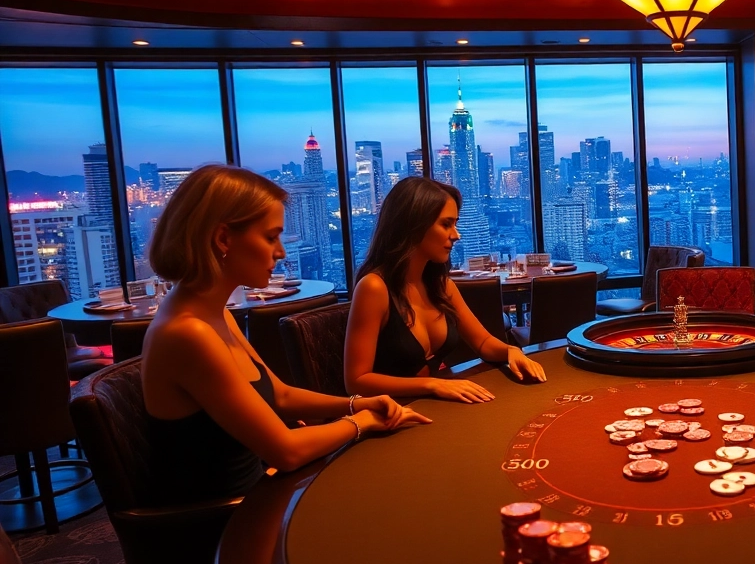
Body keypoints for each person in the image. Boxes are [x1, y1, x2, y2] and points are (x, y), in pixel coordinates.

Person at [142, 165, 429, 506]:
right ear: (223, 239)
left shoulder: (213, 313)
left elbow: (281, 397)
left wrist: (358, 403)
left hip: (260, 493)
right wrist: (362, 421)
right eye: (270, 237)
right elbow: (286, 451)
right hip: (226, 525)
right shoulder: (187, 332)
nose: (280, 251)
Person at [345, 176, 546, 400]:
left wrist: (511, 351)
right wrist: (431, 385)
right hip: (391, 417)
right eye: (446, 224)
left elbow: (482, 342)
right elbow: (356, 381)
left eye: (455, 224)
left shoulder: (441, 285)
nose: (456, 235)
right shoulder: (374, 288)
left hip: (433, 406)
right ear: (414, 225)